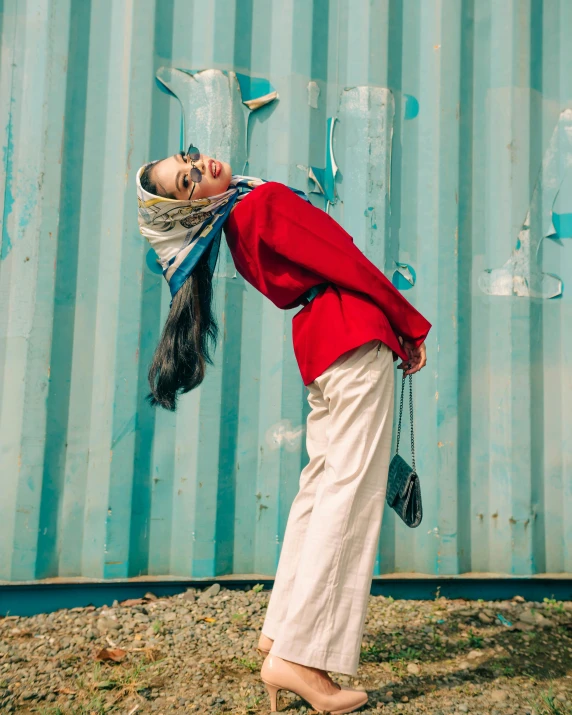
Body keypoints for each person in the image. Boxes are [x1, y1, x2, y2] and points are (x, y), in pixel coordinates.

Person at [136, 146, 431, 713]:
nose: (201, 168)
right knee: (349, 496)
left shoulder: (237, 225)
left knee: (321, 492)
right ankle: (300, 658)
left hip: (322, 347)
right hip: (352, 336)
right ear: (187, 210)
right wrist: (408, 322)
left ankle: (281, 638)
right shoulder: (261, 201)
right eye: (187, 180)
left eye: (189, 159)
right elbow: (349, 264)